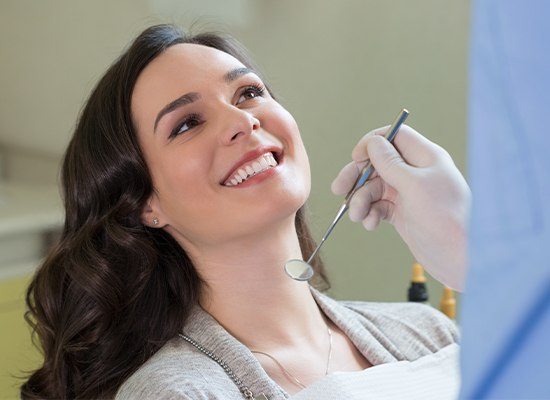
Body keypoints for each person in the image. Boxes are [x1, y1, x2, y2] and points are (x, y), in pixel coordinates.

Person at [20, 24, 470, 399]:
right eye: (188, 123)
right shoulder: (179, 392)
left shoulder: (430, 332)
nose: (243, 121)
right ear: (145, 204)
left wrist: (471, 257)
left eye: (248, 93)